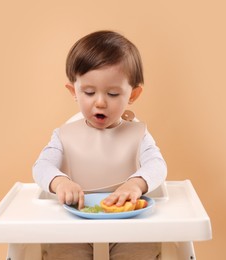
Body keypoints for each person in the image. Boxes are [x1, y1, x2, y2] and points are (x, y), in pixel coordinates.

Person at [33, 30, 167, 260]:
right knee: (63, 251)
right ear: (73, 91)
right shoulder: (64, 135)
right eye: (89, 92)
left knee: (141, 250)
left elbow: (157, 165)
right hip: (76, 216)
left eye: (113, 93)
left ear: (133, 94)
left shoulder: (138, 134)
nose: (100, 102)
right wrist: (59, 182)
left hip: (129, 220)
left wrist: (135, 184)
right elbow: (41, 166)